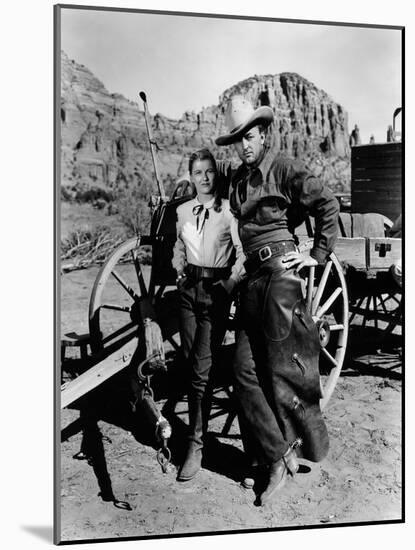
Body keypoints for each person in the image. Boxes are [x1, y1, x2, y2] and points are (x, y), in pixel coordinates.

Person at [215, 96, 339, 505]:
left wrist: (315, 254)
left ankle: (286, 458)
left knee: (283, 371)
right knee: (242, 369)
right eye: (238, 140)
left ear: (263, 134)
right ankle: (277, 455)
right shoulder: (236, 180)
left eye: (250, 137)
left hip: (281, 278)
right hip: (253, 280)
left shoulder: (283, 166)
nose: (244, 145)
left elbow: (326, 204)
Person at [172, 148, 245, 481]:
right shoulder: (184, 210)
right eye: (197, 172)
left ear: (216, 175)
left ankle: (195, 446)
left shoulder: (229, 211)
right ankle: (195, 435)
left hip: (214, 292)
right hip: (188, 292)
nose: (203, 177)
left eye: (209, 171)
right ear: (191, 176)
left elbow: (242, 256)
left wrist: (228, 285)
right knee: (189, 363)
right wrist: (178, 270)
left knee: (200, 371)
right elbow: (178, 246)